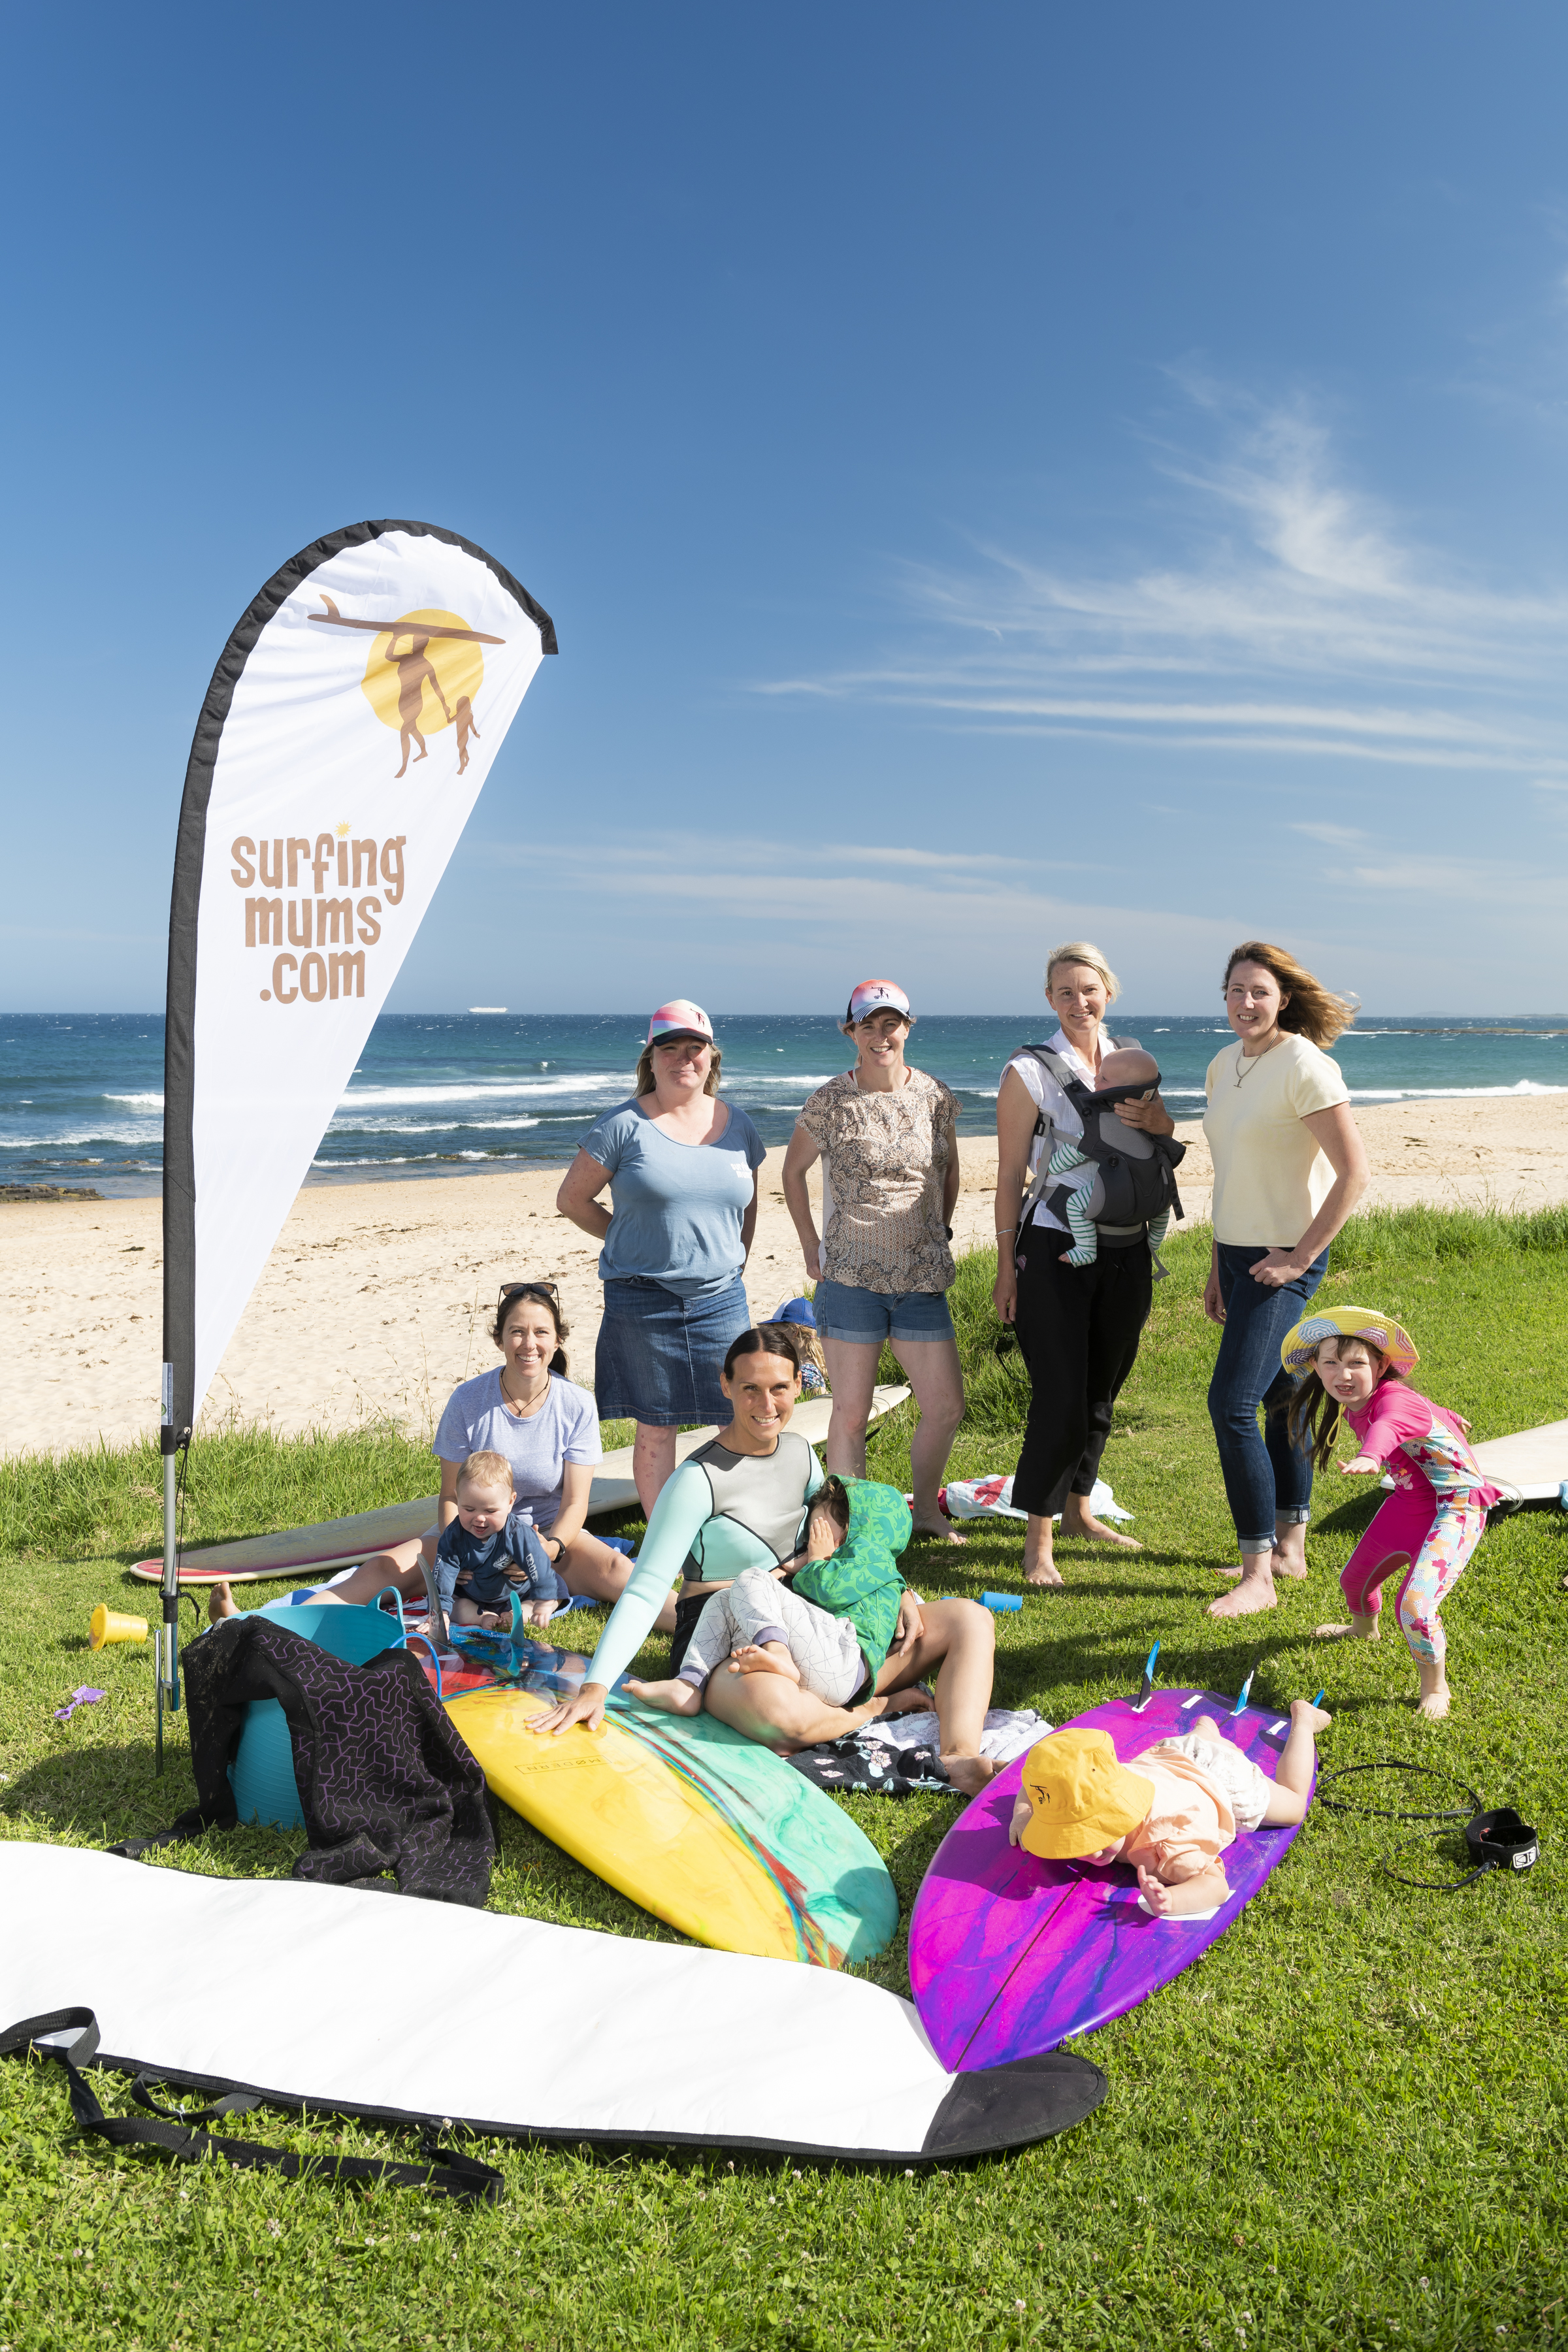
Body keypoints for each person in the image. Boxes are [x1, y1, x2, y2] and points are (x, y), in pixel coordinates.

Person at [528, 1328, 1003, 1793]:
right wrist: (596, 1686)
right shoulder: (697, 1480)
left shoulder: (800, 1455)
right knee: (782, 1715)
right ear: (726, 1386)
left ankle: (959, 1756)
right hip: (724, 1645)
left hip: (808, 1624)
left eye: (779, 1388)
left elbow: (844, 1533)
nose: (766, 1405)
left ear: (800, 1385)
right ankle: (872, 1708)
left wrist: (895, 1588)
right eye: (750, 1389)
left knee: (970, 1619)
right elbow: (646, 1589)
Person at [992, 943, 1178, 1587]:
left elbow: (1160, 1138)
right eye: (1066, 993)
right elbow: (1010, 1172)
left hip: (1128, 1249)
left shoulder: (1130, 1057)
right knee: (1061, 1396)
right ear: (1050, 1000)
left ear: (1109, 993)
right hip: (1054, 1245)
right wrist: (1004, 1265)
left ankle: (1078, 1510)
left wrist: (1160, 1117)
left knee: (1103, 1387)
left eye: (1089, 990)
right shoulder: (1030, 1070)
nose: (1080, 1002)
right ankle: (1037, 1541)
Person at [326, 1282, 664, 1624]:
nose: (529, 1344)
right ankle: (285, 1624)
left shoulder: (576, 1404)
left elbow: (576, 1503)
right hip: (472, 1531)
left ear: (557, 1339)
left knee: (617, 1569)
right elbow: (449, 1496)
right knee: (385, 1567)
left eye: (541, 1332)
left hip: (546, 1534)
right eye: (517, 1332)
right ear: (499, 1339)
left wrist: (549, 1549)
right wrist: (460, 1550)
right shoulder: (468, 1400)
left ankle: (701, 1627)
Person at [1203, 943, 1369, 1620]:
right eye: (1236, 991)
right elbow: (1229, 1174)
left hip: (1284, 1254)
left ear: (1284, 999)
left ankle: (1257, 1573)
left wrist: (1300, 1259)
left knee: (1231, 1403)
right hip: (1238, 1254)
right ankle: (1290, 1549)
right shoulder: (1223, 1065)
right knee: (1281, 1396)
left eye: (1259, 992)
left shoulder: (1305, 1063)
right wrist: (1218, 1267)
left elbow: (1353, 1174)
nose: (1246, 1003)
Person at [557, 1001, 766, 1515]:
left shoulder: (738, 1125)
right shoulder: (621, 1126)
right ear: (650, 1059)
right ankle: (663, 1541)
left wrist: (736, 1257)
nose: (682, 1059)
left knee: (738, 1415)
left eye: (693, 1048)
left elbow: (749, 1201)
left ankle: (747, 1523)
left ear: (711, 1057)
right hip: (642, 1299)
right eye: (668, 1049)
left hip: (721, 1299)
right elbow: (571, 1200)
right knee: (655, 1427)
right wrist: (625, 1238)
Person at [781, 979, 966, 1544]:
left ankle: (927, 1512)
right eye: (868, 1025)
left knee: (946, 1406)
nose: (881, 1035)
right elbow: (791, 1173)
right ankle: (851, 1524)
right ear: (851, 1032)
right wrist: (811, 1244)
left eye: (891, 1023)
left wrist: (941, 1226)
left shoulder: (936, 1096)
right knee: (851, 1413)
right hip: (850, 1280)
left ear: (908, 1027)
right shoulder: (832, 1101)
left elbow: (950, 1171)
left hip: (921, 1278)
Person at [1282, 1307, 1499, 1722]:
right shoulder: (1357, 1402)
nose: (1342, 1375)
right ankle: (1364, 1630)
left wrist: (1370, 1455)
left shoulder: (1392, 1400)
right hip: (1410, 1500)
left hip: (1456, 1505)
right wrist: (1450, 1417)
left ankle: (1436, 1685)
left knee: (1415, 1606)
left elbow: (1394, 1421)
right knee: (1355, 1580)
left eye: (1356, 1364)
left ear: (1382, 1365)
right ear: (1314, 1365)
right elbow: (1423, 1408)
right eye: (1330, 1362)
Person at [630, 1475, 919, 1733]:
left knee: (751, 1578)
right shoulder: (863, 1562)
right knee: (723, 1598)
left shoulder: (872, 1554)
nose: (811, 1538)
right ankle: (689, 1684)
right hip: (828, 1657)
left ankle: (776, 1653)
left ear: (852, 1525)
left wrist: (817, 1560)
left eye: (819, 1527)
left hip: (844, 1659)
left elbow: (828, 1592)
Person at [1009, 1701, 1331, 1917]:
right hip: (1171, 1756)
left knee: (1292, 1805)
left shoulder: (1167, 1844)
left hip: (1224, 1782)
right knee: (1202, 1746)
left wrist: (1172, 1900)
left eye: (1095, 1834)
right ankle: (1205, 1733)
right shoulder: (1085, 1780)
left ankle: (1303, 1722)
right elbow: (1043, 1783)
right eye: (1075, 1839)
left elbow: (1215, 1886)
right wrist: (1024, 1814)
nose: (1091, 1853)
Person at [1041, 1045, 1181, 1271]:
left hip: (1118, 1190)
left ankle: (1086, 1250)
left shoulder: (1104, 1123)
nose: (1095, 1078)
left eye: (1103, 1078)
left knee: (1075, 1206)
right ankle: (1154, 1243)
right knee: (1162, 1206)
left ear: (1121, 1091)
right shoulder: (1149, 1116)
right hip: (1156, 1189)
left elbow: (1077, 1149)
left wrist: (1050, 1166)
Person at [435, 1450, 568, 1630]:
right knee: (452, 1603)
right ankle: (482, 1617)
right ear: (458, 1498)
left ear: (510, 1502)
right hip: (473, 1596)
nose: (480, 1519)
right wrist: (441, 1612)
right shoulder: (453, 1536)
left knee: (557, 1588)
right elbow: (443, 1573)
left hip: (517, 1593)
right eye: (469, 1509)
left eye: (490, 1511)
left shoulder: (516, 1532)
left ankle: (520, 1614)